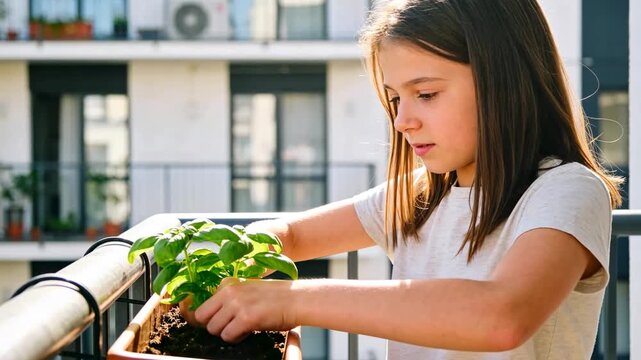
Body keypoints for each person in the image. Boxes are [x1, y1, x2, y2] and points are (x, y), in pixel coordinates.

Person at [192, 0, 623, 358]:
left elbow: (501, 316)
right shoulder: (420, 195)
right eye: (395, 97)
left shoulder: (567, 190)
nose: (401, 120)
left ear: (504, 79)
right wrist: (235, 261)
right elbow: (293, 236)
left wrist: (290, 302)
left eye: (427, 94)